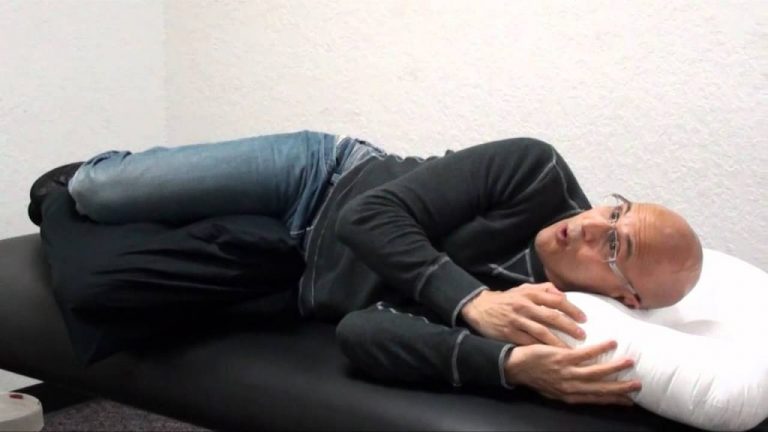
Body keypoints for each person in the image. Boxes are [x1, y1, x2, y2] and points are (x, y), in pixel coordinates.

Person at [28, 130, 702, 407]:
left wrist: (510, 365)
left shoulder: (548, 317)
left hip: (291, 269)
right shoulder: (536, 170)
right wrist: (471, 302)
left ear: (626, 299)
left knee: (104, 289)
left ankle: (60, 213)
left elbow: (361, 331)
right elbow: (370, 215)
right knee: (98, 192)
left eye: (615, 249)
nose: (592, 226)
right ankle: (66, 186)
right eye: (617, 210)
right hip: (321, 181)